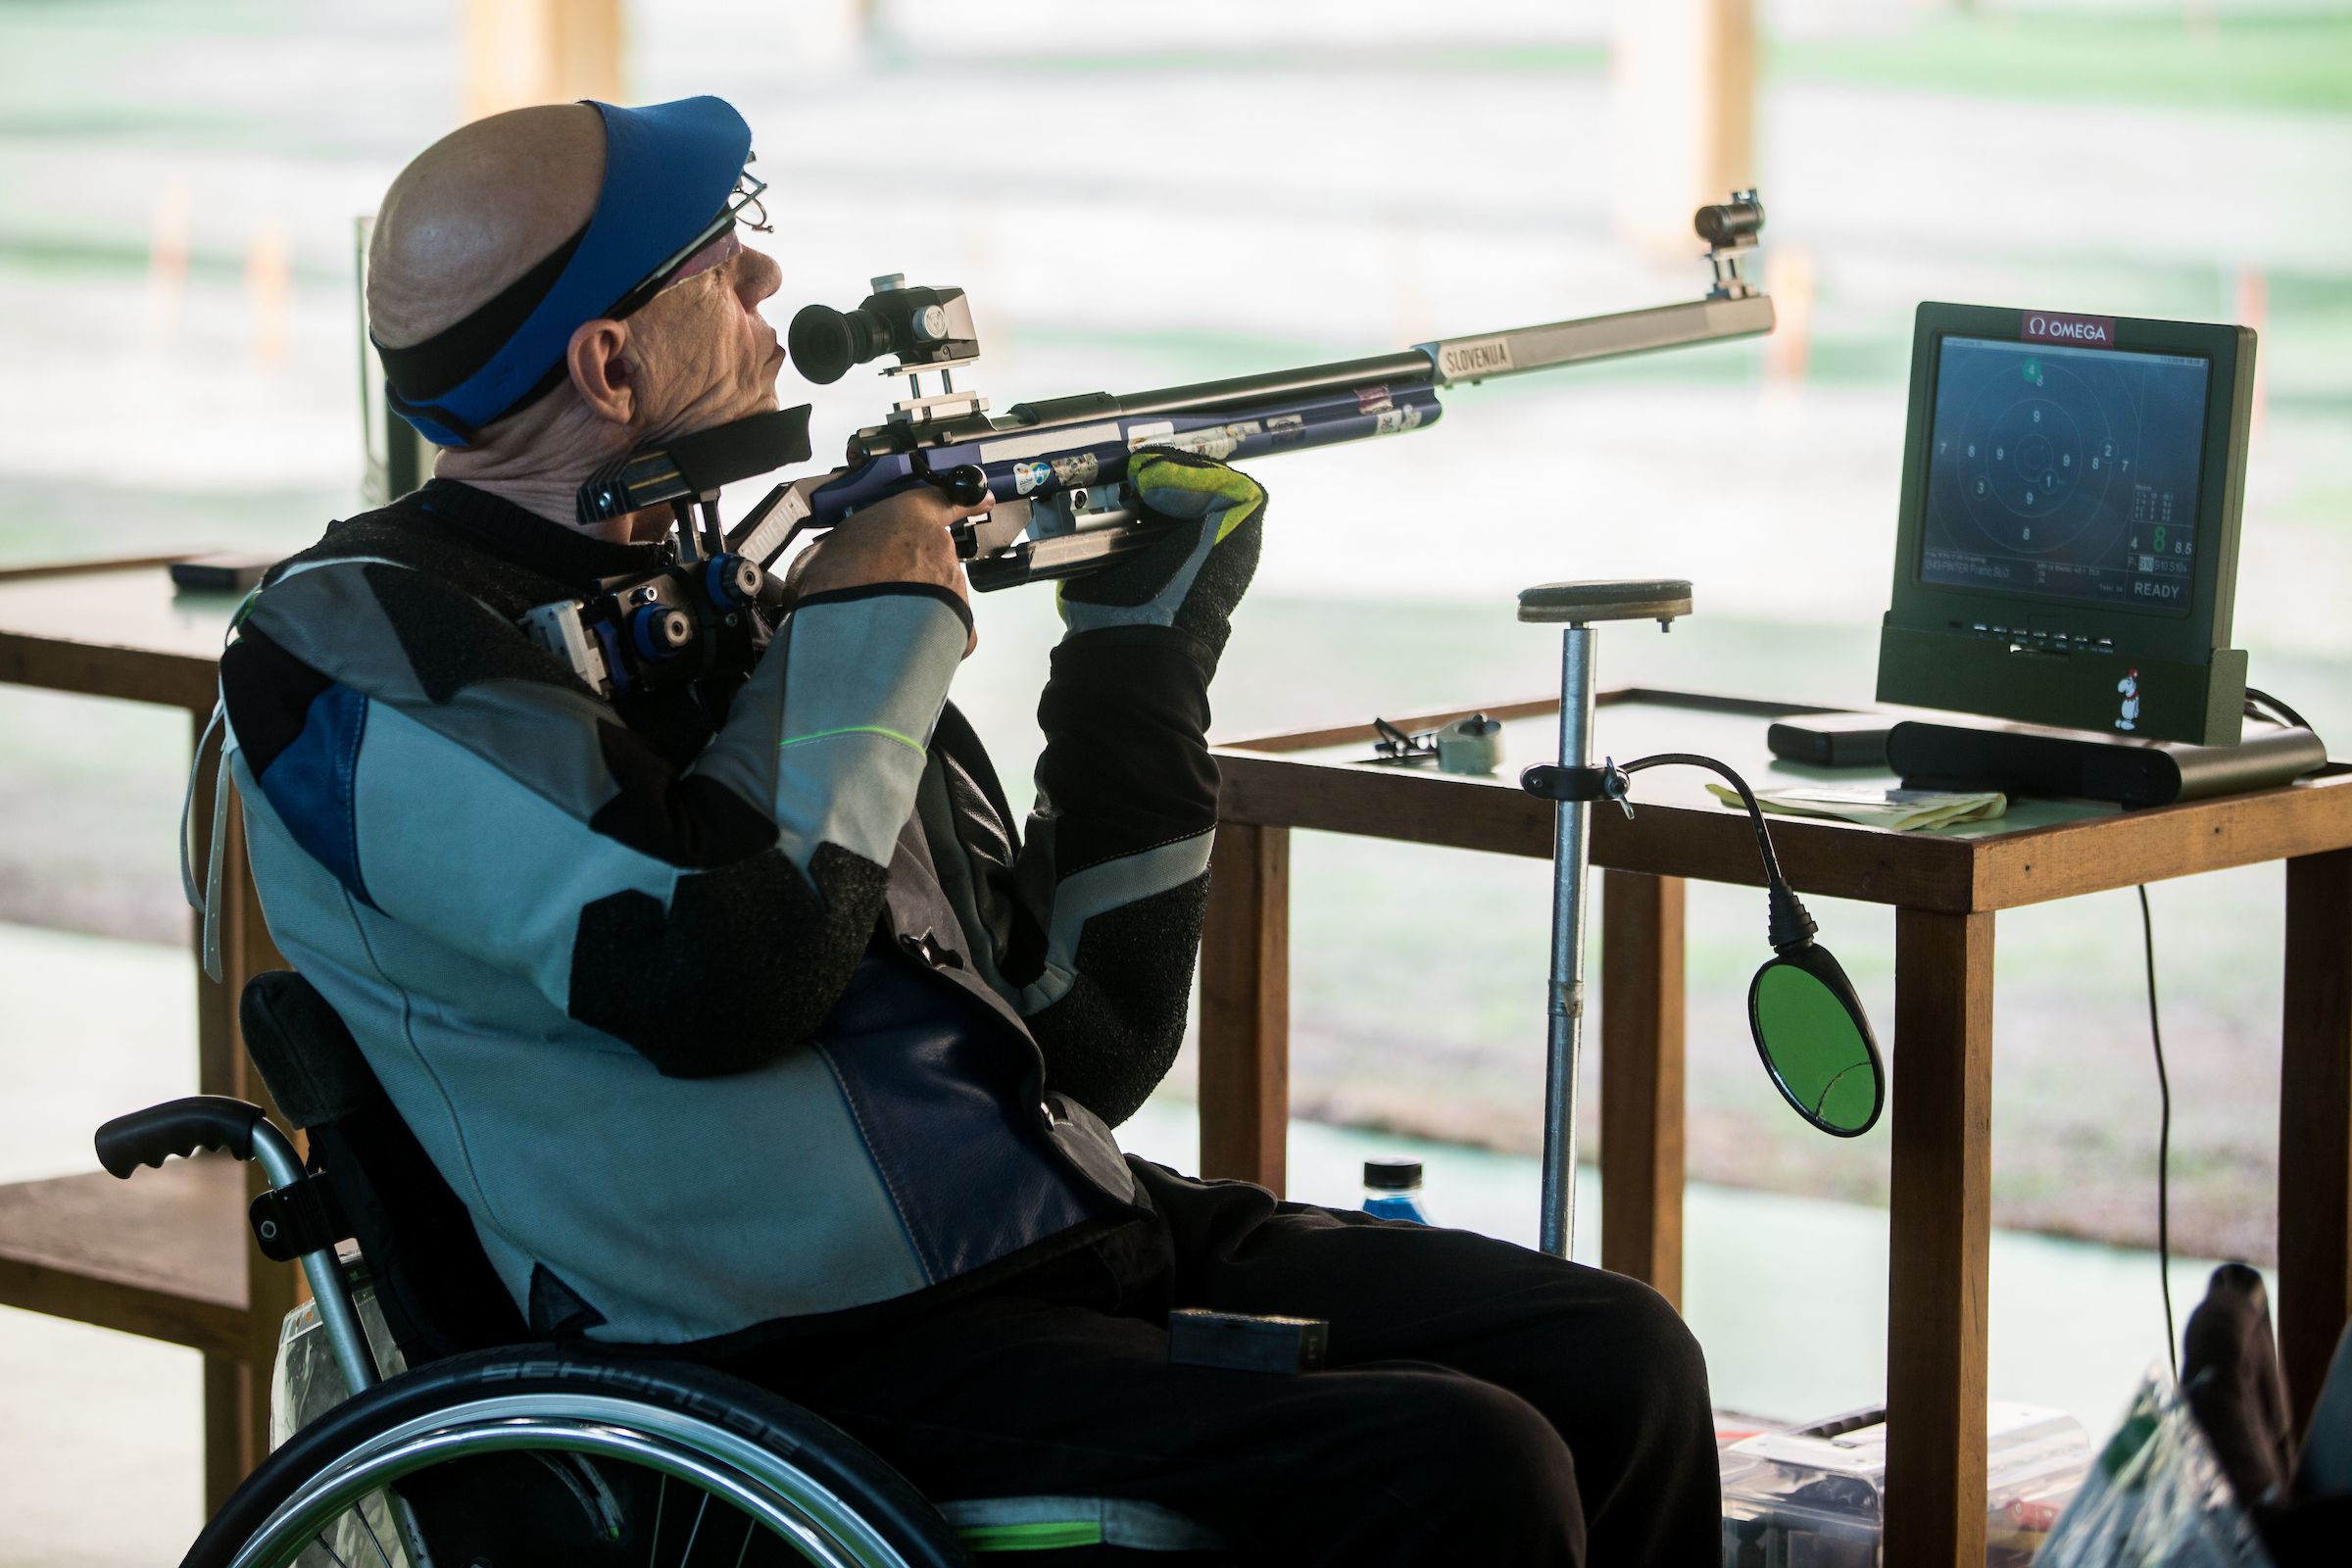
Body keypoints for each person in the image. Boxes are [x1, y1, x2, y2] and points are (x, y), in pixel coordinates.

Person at [214, 94, 1720, 1564]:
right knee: (1460, 1465)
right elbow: (724, 959)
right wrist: (876, 616)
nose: (766, 283)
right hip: (785, 1350)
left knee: (1620, 1360)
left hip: (1047, 1236)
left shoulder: (733, 597)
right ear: (610, 364)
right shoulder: (348, 652)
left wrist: (1140, 664)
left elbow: (1093, 1042)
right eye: (719, 259)